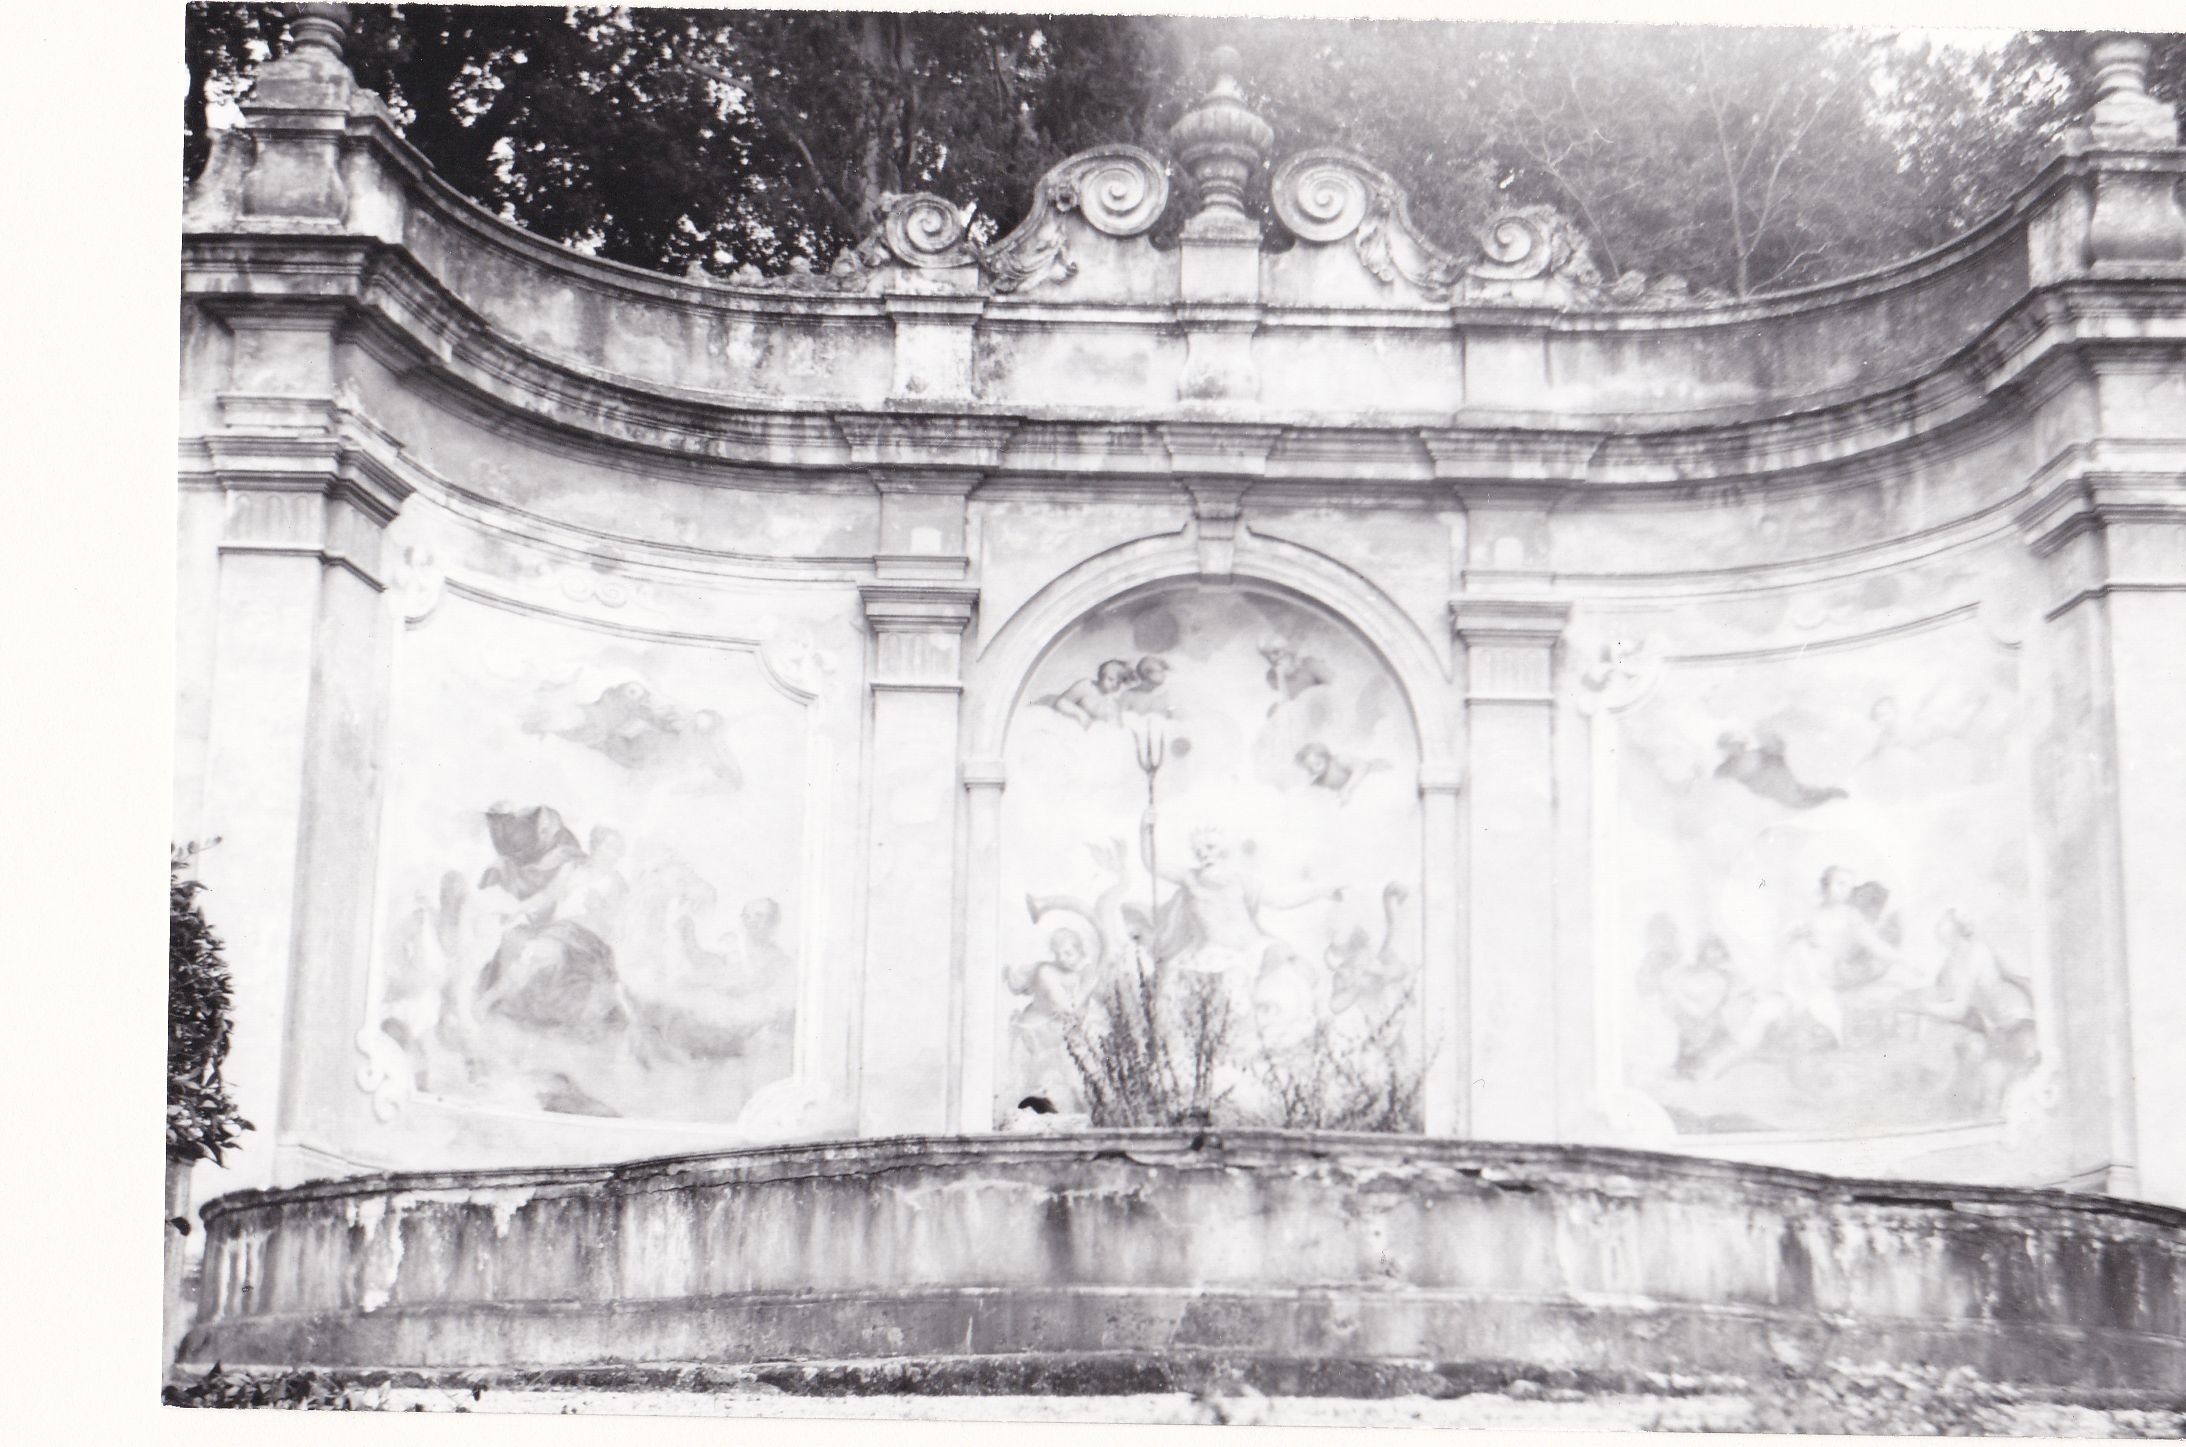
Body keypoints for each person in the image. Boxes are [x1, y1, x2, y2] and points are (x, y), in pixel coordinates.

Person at [1139, 812, 1342, 979]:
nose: (1204, 854)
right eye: (1198, 851)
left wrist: (1321, 891)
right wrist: (1145, 830)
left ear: (1223, 850)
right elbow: (1152, 864)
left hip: (1254, 948)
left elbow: (1279, 900)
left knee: (1293, 968)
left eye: (1210, 847)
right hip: (1215, 955)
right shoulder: (1190, 878)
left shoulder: (1242, 880)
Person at [1895, 910, 2039, 1113]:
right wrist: (1916, 1000)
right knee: (1990, 1086)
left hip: (2015, 1020)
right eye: (1943, 941)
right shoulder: (1955, 960)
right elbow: (1942, 993)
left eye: (1950, 939)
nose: (1948, 947)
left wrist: (1920, 1007)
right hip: (1997, 1026)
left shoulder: (1975, 953)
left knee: (2007, 1086)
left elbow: (1958, 1009)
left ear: (1961, 934)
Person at [1049, 659, 1135, 728]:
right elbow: (1061, 702)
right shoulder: (1086, 686)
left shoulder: (1113, 702)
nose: (1114, 684)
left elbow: (1115, 725)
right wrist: (1080, 714)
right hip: (1067, 723)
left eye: (1119, 682)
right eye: (1110, 679)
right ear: (1101, 675)